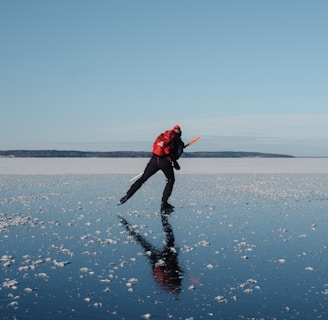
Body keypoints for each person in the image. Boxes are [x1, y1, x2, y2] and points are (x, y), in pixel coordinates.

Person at [118, 124, 184, 211]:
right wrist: (175, 159)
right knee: (171, 180)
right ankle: (164, 204)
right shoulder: (178, 141)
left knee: (143, 178)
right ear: (179, 133)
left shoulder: (162, 136)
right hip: (165, 161)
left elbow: (155, 147)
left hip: (154, 159)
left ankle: (127, 195)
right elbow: (175, 155)